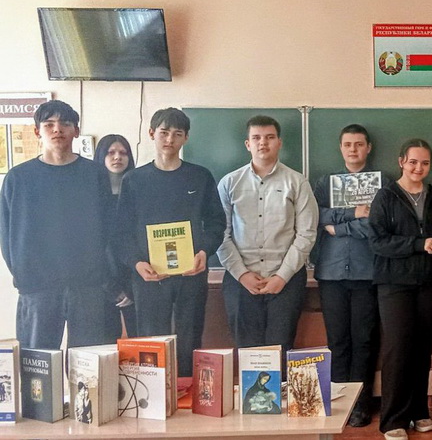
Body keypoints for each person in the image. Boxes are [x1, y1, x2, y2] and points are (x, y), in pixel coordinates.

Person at [117, 107, 226, 377]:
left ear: (186, 138)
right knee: (151, 342)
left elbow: (216, 222)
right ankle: (154, 397)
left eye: (177, 134)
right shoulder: (134, 180)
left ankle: (188, 391)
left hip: (191, 274)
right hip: (150, 276)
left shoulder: (200, 176)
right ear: (151, 133)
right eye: (164, 132)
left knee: (190, 338)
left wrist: (205, 251)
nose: (169, 139)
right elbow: (121, 232)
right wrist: (136, 263)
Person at [0, 100, 115, 349]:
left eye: (65, 123)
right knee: (37, 362)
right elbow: (7, 235)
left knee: (88, 362)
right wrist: (23, 275)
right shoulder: (18, 178)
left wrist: (99, 273)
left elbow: (107, 227)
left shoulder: (94, 174)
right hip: (37, 287)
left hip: (87, 286)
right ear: (37, 131)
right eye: (49, 124)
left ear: (76, 130)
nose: (57, 129)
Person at [369, 139, 432, 440]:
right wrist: (417, 244)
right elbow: (377, 242)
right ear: (401, 162)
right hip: (394, 286)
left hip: (429, 285)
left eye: (425, 163)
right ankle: (393, 419)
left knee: (422, 350)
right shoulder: (385, 196)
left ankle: (419, 411)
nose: (419, 168)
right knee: (397, 349)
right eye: (413, 162)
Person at [217, 116, 318, 363]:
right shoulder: (229, 183)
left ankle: (280, 391)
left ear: (279, 142)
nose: (263, 143)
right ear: (247, 144)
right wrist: (242, 274)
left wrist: (282, 276)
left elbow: (306, 233)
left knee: (281, 349)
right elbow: (219, 234)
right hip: (240, 280)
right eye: (257, 138)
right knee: (248, 353)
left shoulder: (297, 182)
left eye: (270, 137)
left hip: (286, 280)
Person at [313, 124, 382, 427]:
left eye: (359, 144)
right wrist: (353, 213)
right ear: (340, 148)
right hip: (331, 273)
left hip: (367, 273)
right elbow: (316, 215)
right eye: (348, 144)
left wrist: (337, 227)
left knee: (364, 341)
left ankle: (361, 405)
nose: (353, 149)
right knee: (338, 341)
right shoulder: (324, 183)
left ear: (368, 148)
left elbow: (376, 224)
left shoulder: (382, 184)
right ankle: (340, 403)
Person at [95, 134, 139, 338]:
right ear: (101, 156)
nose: (117, 157)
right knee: (104, 345)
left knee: (143, 345)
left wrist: (130, 288)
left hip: (137, 279)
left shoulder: (139, 191)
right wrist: (110, 287)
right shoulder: (91, 195)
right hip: (100, 281)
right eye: (111, 152)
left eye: (123, 152)